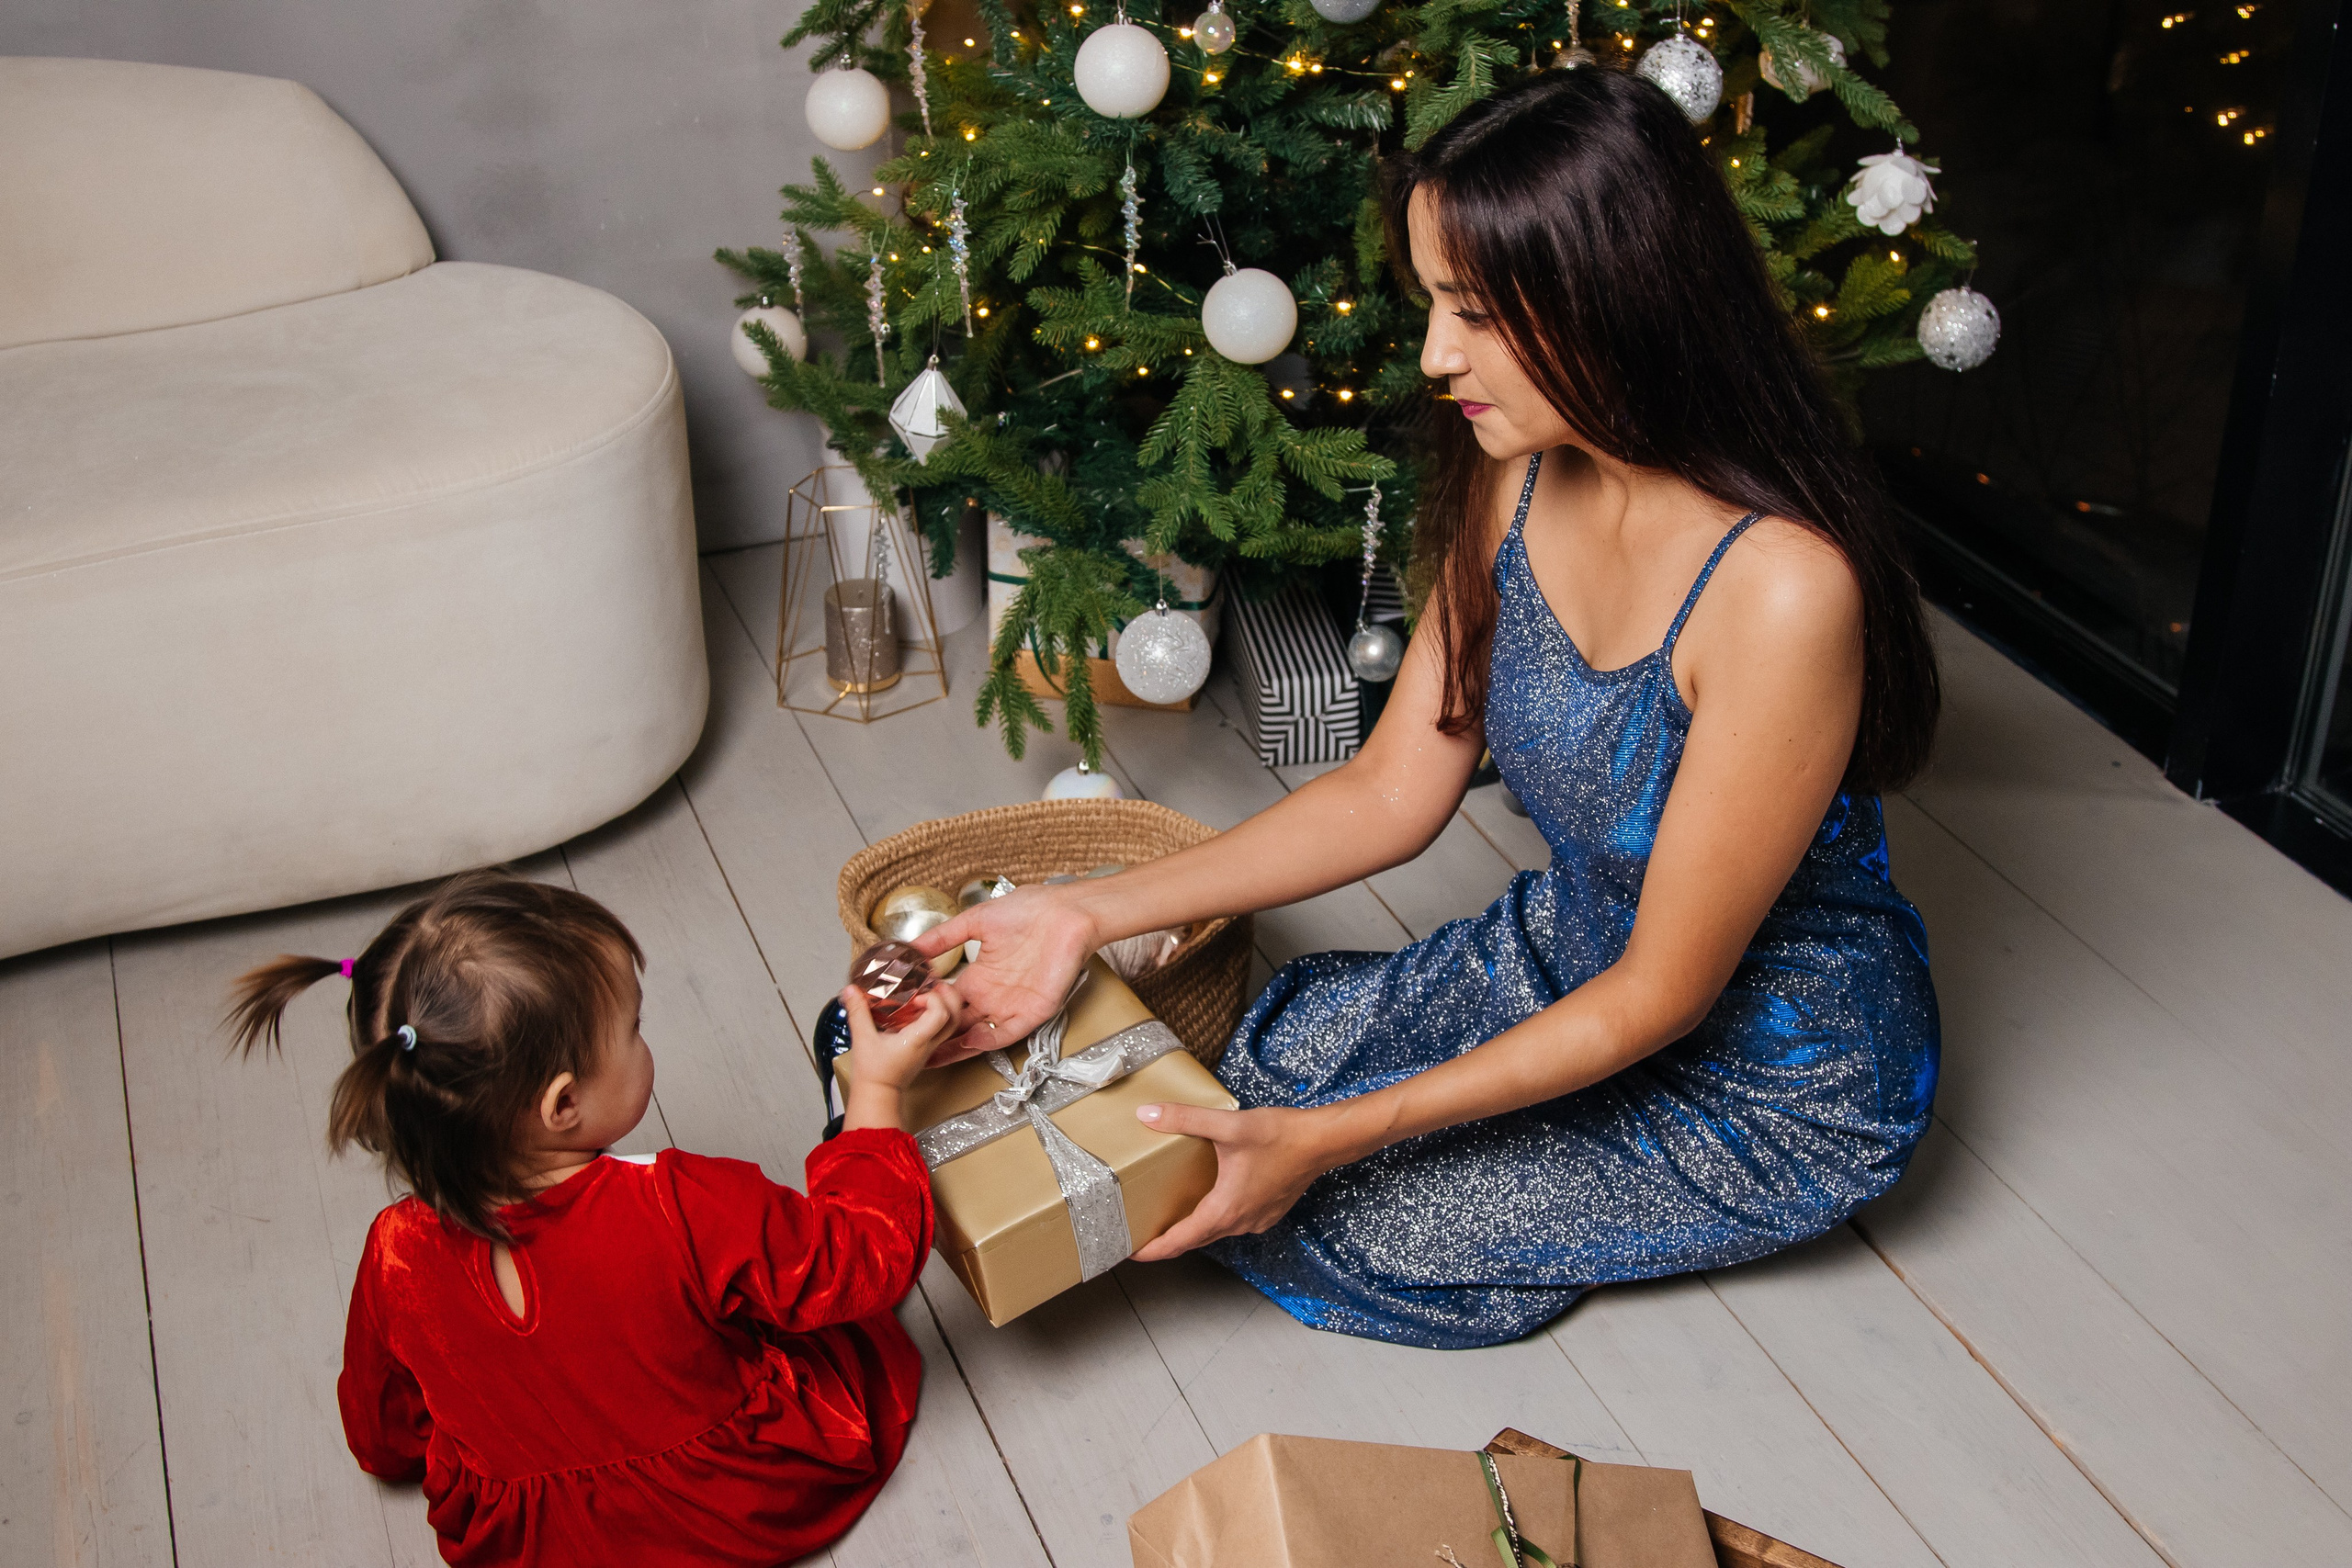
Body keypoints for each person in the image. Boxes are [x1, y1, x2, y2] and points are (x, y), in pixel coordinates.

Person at [922, 68, 1944, 1351]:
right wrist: (1084, 908)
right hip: (1569, 947)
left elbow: (1667, 992)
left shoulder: (1785, 588)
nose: (1431, 354)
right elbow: (1397, 786)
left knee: (1329, 1200)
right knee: (1248, 1076)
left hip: (1765, 1068)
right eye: (1432, 302)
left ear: (1611, 296)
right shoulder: (1516, 472)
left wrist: (1328, 1142)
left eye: (1474, 310)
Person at [225, 872, 961, 1567]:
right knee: (847, 1339)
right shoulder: (678, 1204)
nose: (645, 1041)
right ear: (563, 1104)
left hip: (538, 1545)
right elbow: (859, 1260)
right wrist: (877, 1087)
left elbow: (380, 1421)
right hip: (739, 1501)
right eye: (632, 1026)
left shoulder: (395, 1250)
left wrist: (408, 1453)